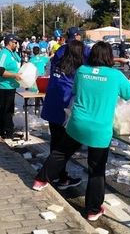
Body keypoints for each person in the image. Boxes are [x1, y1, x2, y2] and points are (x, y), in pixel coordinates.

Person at [33, 42, 130, 222]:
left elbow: (74, 91)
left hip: (77, 124)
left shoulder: (81, 71)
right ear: (109, 57)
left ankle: (40, 180)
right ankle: (93, 209)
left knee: (61, 152)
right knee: (96, 169)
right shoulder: (115, 75)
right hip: (99, 129)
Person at [40, 40, 85, 190]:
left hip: (52, 104)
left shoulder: (56, 63)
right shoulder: (77, 70)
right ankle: (61, 178)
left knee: (55, 141)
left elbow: (58, 53)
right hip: (64, 108)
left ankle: (57, 175)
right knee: (64, 146)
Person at [0, 34, 23, 139]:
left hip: (11, 86)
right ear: (10, 42)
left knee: (4, 109)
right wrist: (14, 75)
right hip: (4, 86)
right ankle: (9, 132)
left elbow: (19, 62)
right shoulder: (4, 54)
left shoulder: (13, 53)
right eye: (15, 42)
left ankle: (0, 129)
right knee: (8, 110)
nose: (17, 44)